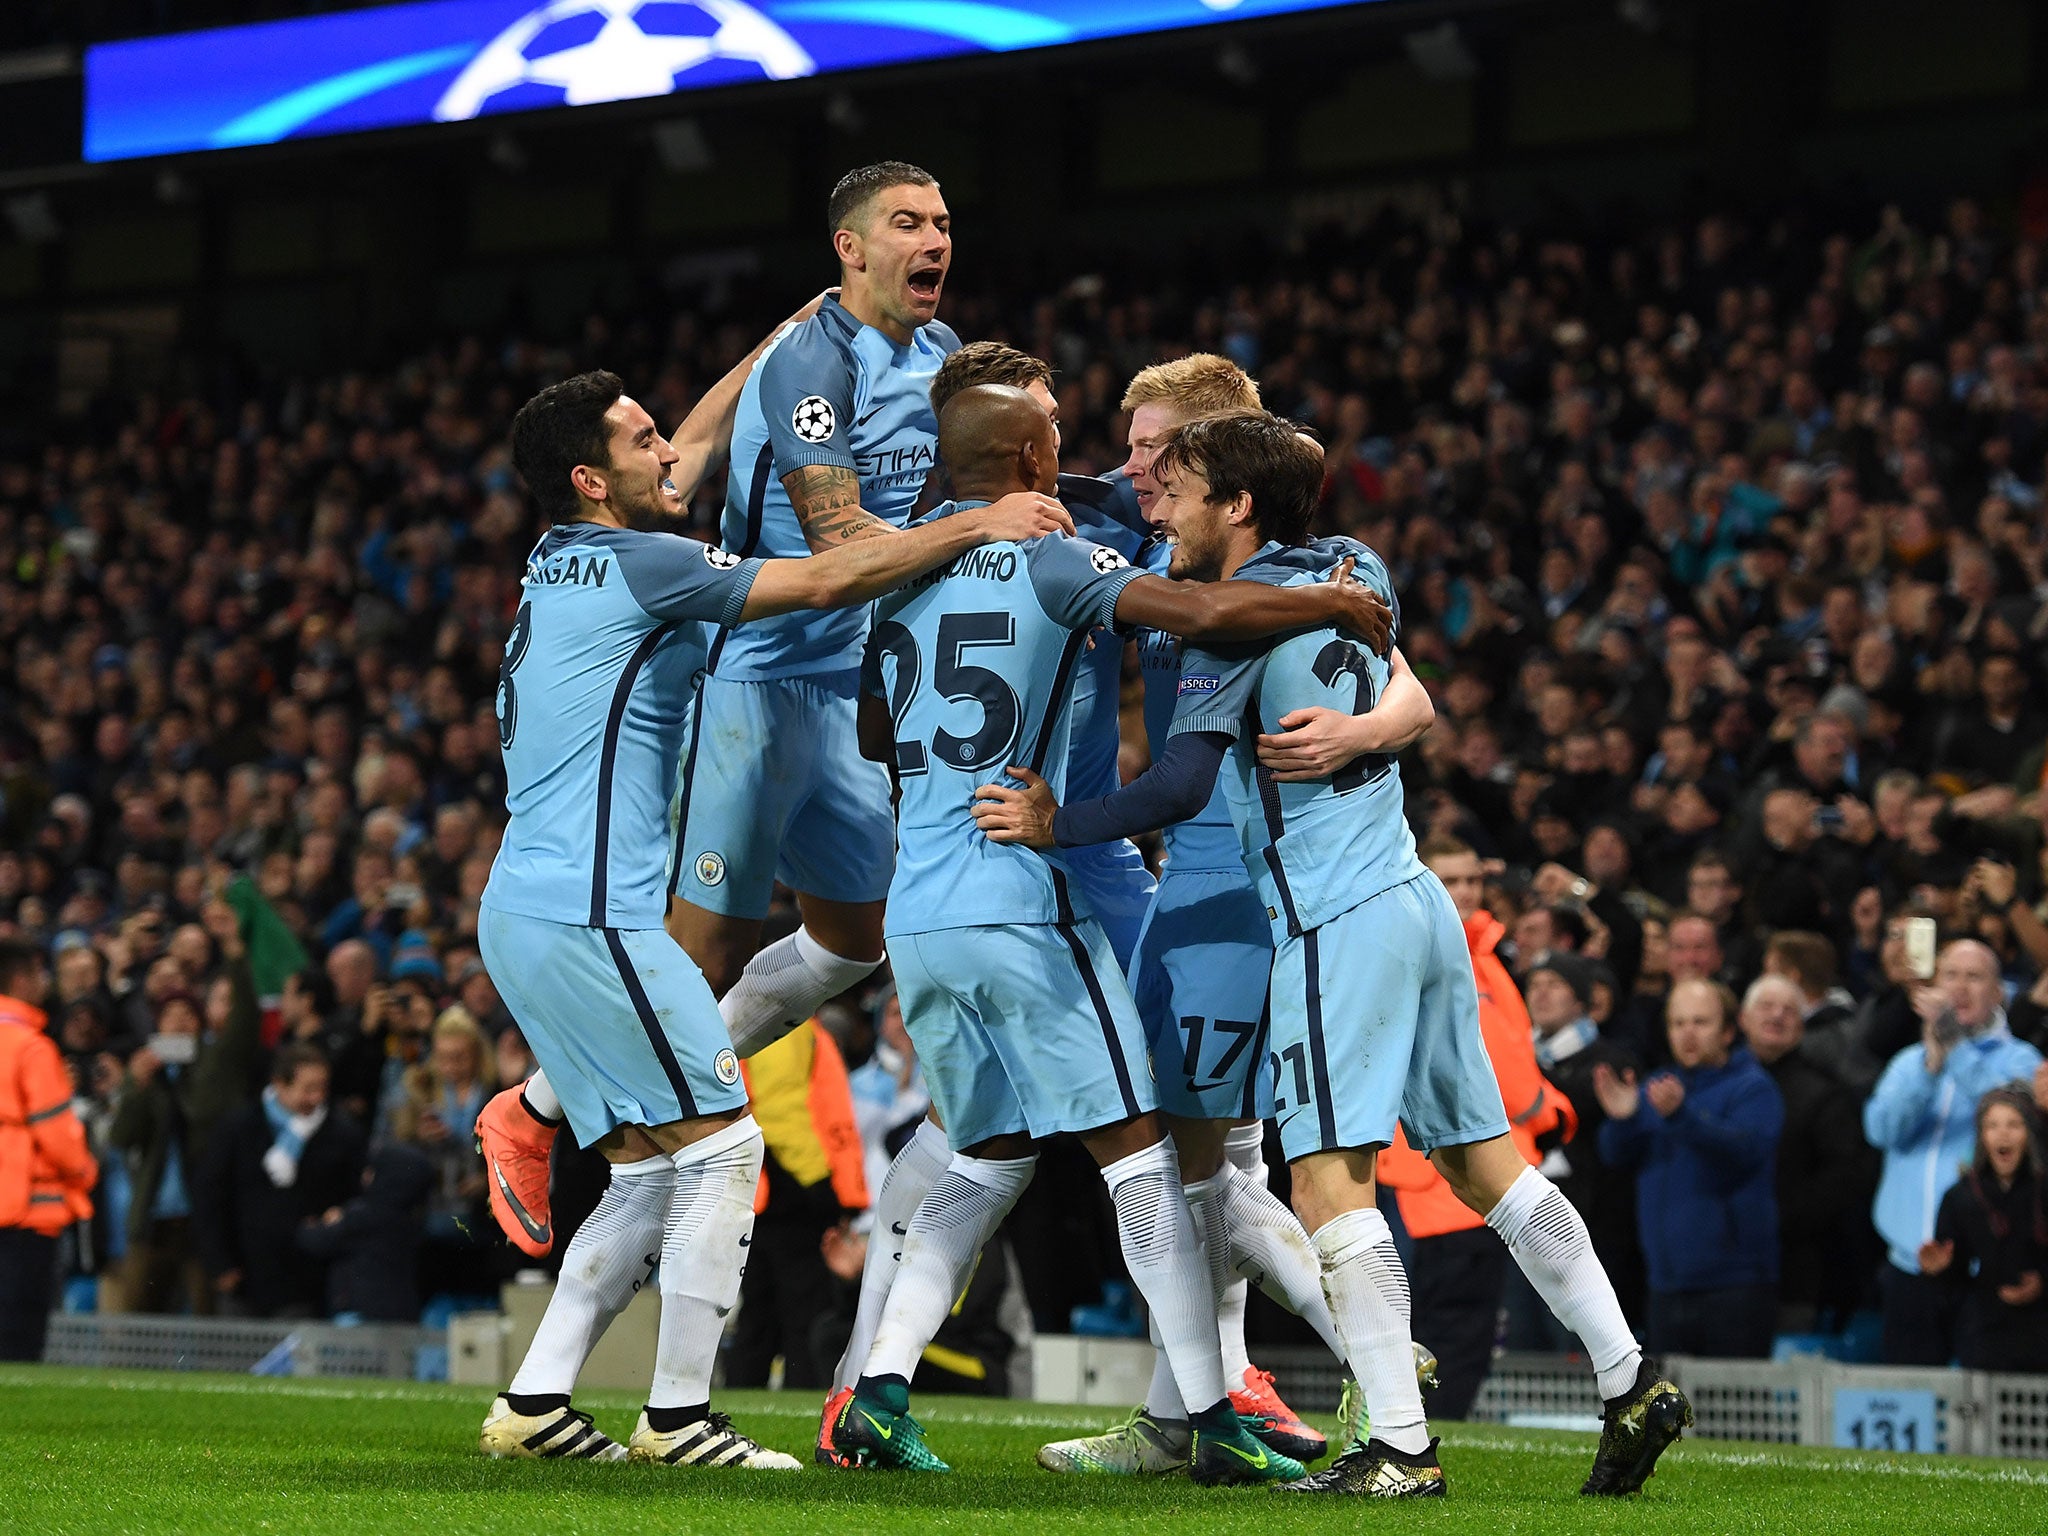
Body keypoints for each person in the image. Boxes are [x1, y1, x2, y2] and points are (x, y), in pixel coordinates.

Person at [976, 413, 1687, 1498]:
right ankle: (1629, 1376)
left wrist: (1052, 825)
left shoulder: (1230, 629)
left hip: (1330, 921)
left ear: (1238, 507)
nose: (1163, 506)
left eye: (1185, 486)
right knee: (1484, 1160)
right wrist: (1368, 729)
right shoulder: (1358, 570)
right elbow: (1407, 685)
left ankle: (1398, 1447)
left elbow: (1176, 787)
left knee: (1325, 1182)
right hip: (1416, 898)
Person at [472, 368, 1074, 1468]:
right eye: (643, 441)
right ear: (589, 478)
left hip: (533, 906)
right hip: (592, 917)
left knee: (656, 1169)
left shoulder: (563, 559)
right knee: (724, 1147)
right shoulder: (649, 564)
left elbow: (694, 442)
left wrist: (775, 349)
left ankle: (535, 1401)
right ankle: (678, 1421)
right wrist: (980, 522)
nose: (673, 454)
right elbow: (827, 577)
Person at [827, 384, 1390, 1483]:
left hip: (920, 908)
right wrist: (1331, 607)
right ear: (1036, 456)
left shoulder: (896, 583)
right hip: (1018, 895)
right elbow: (1201, 616)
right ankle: (1215, 1407)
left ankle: (874, 1391)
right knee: (1143, 1159)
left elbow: (867, 726)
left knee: (983, 1157)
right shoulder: (1052, 553)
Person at [476, 163, 1004, 1260]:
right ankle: (558, 1108)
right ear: (849, 246)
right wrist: (984, 530)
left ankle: (604, 1095)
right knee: (701, 948)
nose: (933, 240)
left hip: (841, 683)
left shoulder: (941, 358)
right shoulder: (815, 365)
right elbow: (837, 551)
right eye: (907, 223)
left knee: (854, 940)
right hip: (753, 678)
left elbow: (689, 448)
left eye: (943, 223)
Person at [1027, 353, 1408, 1477]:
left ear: (1213, 461)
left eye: (1151, 449)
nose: (1126, 467)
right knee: (1205, 1160)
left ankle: (1347, 1365)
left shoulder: (1272, 555)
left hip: (1233, 887)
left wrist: (1369, 729)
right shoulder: (1155, 527)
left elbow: (1405, 676)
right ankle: (1206, 1401)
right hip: (1189, 885)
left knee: (1191, 1163)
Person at [1376, 836, 1577, 1420]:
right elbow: (1500, 1069)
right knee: (1453, 1329)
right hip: (1447, 1177)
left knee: (1446, 1325)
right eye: (1450, 880)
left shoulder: (1476, 953)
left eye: (1471, 881)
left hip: (1443, 1173)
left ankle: (1402, 1431)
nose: (1463, 893)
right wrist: (1552, 1111)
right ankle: (1411, 1436)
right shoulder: (1457, 958)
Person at [1864, 938, 2043, 1365]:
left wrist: (1956, 1051)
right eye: (1950, 976)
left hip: (1988, 1272)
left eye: (1974, 976)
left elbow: (2009, 1115)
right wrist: (1930, 1066)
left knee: (1982, 1407)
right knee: (1911, 1398)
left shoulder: (2023, 1060)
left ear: (1999, 992)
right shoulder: (1909, 1062)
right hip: (1909, 1265)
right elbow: (1880, 1131)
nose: (1959, 987)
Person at [1596, 979, 1785, 1358]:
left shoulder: (1753, 1088)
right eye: (1678, 1023)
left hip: (1735, 1286)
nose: (1687, 1034)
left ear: (1729, 1030)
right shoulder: (1659, 1087)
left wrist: (1682, 1117)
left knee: (1735, 1409)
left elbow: (1743, 1150)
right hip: (1665, 1284)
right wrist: (1624, 1119)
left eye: (1700, 1022)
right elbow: (1614, 1155)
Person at [103, 898, 262, 1315]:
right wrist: (134, 1086)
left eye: (186, 1016)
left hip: (203, 1218)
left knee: (205, 1321)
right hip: (154, 1219)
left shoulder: (216, 1066)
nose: (177, 1023)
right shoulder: (148, 1078)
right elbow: (121, 1138)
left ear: (200, 1023)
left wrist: (233, 948)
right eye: (168, 1018)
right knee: (135, 1321)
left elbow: (245, 1016)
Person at [1737, 974, 1877, 1330]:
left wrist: (1779, 1220)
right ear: (1742, 1019)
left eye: (1789, 1010)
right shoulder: (1714, 1083)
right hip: (1716, 1268)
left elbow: (1845, 1176)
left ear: (1801, 1026)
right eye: (1766, 1007)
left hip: (1795, 1272)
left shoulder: (1824, 1093)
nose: (1777, 1016)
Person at [197, 1043, 366, 1317]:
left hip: (308, 1279)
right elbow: (210, 1197)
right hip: (244, 1276)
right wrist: (220, 1264)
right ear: (279, 1084)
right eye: (308, 1088)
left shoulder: (342, 1134)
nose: (317, 1097)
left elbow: (354, 1196)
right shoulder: (238, 1128)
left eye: (322, 1087)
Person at [0, 937, 96, 1360]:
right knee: (19, 1335)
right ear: (21, 979)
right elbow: (56, 1132)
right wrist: (84, 1172)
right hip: (28, 1209)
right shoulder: (32, 1047)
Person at [1919, 1088, 2048, 1372]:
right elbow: (1954, 1283)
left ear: (2030, 1133)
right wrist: (1939, 1269)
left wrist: (2042, 1282)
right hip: (1988, 1340)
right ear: (1981, 1136)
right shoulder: (1961, 1197)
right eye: (1992, 1126)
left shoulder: (2043, 1188)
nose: (2003, 1135)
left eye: (2014, 1124)